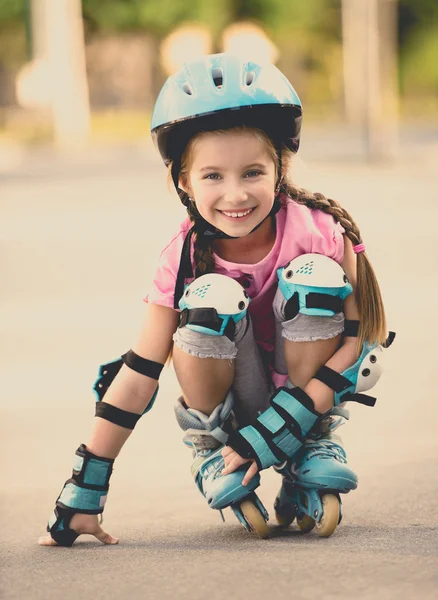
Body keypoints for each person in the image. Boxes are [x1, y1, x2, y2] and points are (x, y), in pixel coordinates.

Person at [39, 53, 392, 546]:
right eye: (212, 176)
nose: (235, 194)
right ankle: (211, 448)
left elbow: (355, 349)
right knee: (210, 298)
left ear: (280, 169)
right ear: (183, 182)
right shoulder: (180, 257)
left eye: (252, 173)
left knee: (317, 277)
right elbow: (139, 372)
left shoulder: (320, 233)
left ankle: (311, 446)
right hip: (223, 399)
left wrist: (280, 429)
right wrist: (85, 486)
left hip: (310, 392)